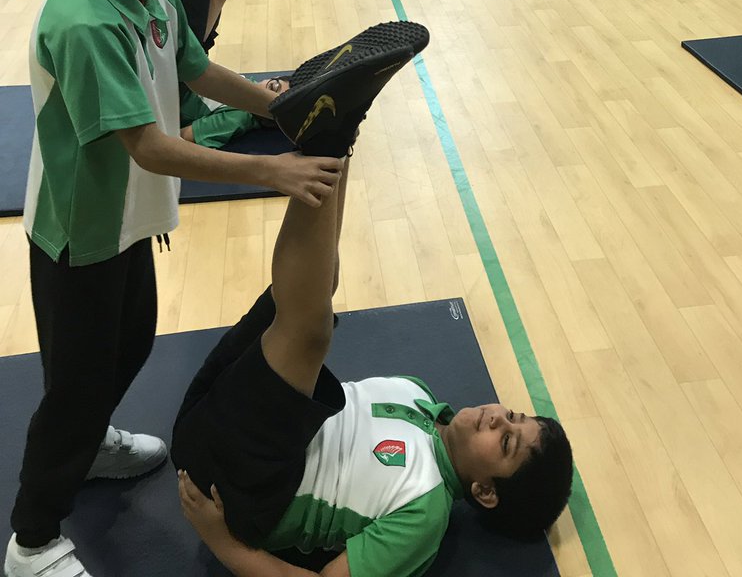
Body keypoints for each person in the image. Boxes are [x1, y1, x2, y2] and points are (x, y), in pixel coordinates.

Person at [4, 0, 344, 577]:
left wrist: (269, 105)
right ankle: (30, 541)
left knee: (130, 347)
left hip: (128, 222)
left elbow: (193, 69)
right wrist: (274, 172)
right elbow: (149, 146)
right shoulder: (84, 20)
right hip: (79, 238)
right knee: (74, 388)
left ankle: (90, 444)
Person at [172, 28, 573, 577]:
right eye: (516, 416)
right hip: (221, 408)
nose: (498, 416)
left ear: (483, 493)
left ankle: (331, 135)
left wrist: (223, 544)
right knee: (320, 287)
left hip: (237, 489)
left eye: (506, 440)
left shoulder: (423, 513)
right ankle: (342, 129)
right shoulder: (418, 395)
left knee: (311, 330)